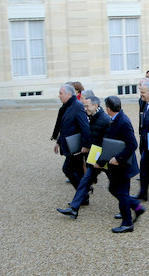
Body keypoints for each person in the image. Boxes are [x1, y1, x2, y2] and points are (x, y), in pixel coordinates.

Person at [58, 96, 142, 233]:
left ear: (107, 108)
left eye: (87, 106)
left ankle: (129, 221)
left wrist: (115, 159)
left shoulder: (119, 121)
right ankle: (136, 209)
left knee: (120, 191)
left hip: (117, 162)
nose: (85, 109)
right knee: (114, 189)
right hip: (106, 158)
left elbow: (132, 144)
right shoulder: (113, 119)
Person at [60, 94, 109, 211]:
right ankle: (74, 208)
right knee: (85, 181)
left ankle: (136, 207)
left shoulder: (105, 119)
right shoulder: (92, 116)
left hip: (102, 157)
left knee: (115, 187)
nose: (85, 109)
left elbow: (107, 142)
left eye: (87, 106)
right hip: (94, 154)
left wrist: (100, 160)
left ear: (95, 105)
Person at [51, 84, 91, 189]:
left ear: (69, 94)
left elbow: (85, 127)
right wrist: (58, 141)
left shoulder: (77, 106)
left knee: (67, 169)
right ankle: (84, 194)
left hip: (76, 147)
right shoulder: (67, 106)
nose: (59, 95)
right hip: (70, 144)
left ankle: (83, 193)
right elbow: (65, 127)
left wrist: (86, 145)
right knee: (78, 171)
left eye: (61, 93)